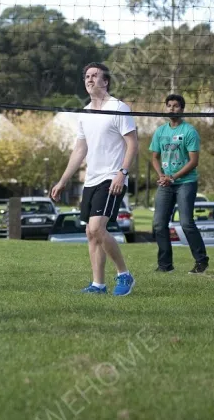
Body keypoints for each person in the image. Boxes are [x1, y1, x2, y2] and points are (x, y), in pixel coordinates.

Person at [51, 62, 137, 297]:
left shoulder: (119, 107)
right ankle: (98, 284)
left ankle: (124, 274)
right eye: (87, 76)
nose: (89, 79)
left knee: (98, 227)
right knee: (90, 232)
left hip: (112, 176)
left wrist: (123, 172)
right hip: (91, 179)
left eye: (95, 76)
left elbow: (132, 143)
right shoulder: (85, 112)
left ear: (105, 81)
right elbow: (80, 150)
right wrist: (62, 180)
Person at [150, 94, 209, 274]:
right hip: (166, 183)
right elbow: (154, 157)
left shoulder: (189, 131)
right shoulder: (160, 132)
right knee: (159, 224)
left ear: (182, 109)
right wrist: (161, 175)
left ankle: (201, 261)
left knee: (186, 223)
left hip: (186, 182)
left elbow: (194, 161)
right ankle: (165, 265)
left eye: (176, 106)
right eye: (169, 106)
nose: (172, 109)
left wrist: (173, 177)